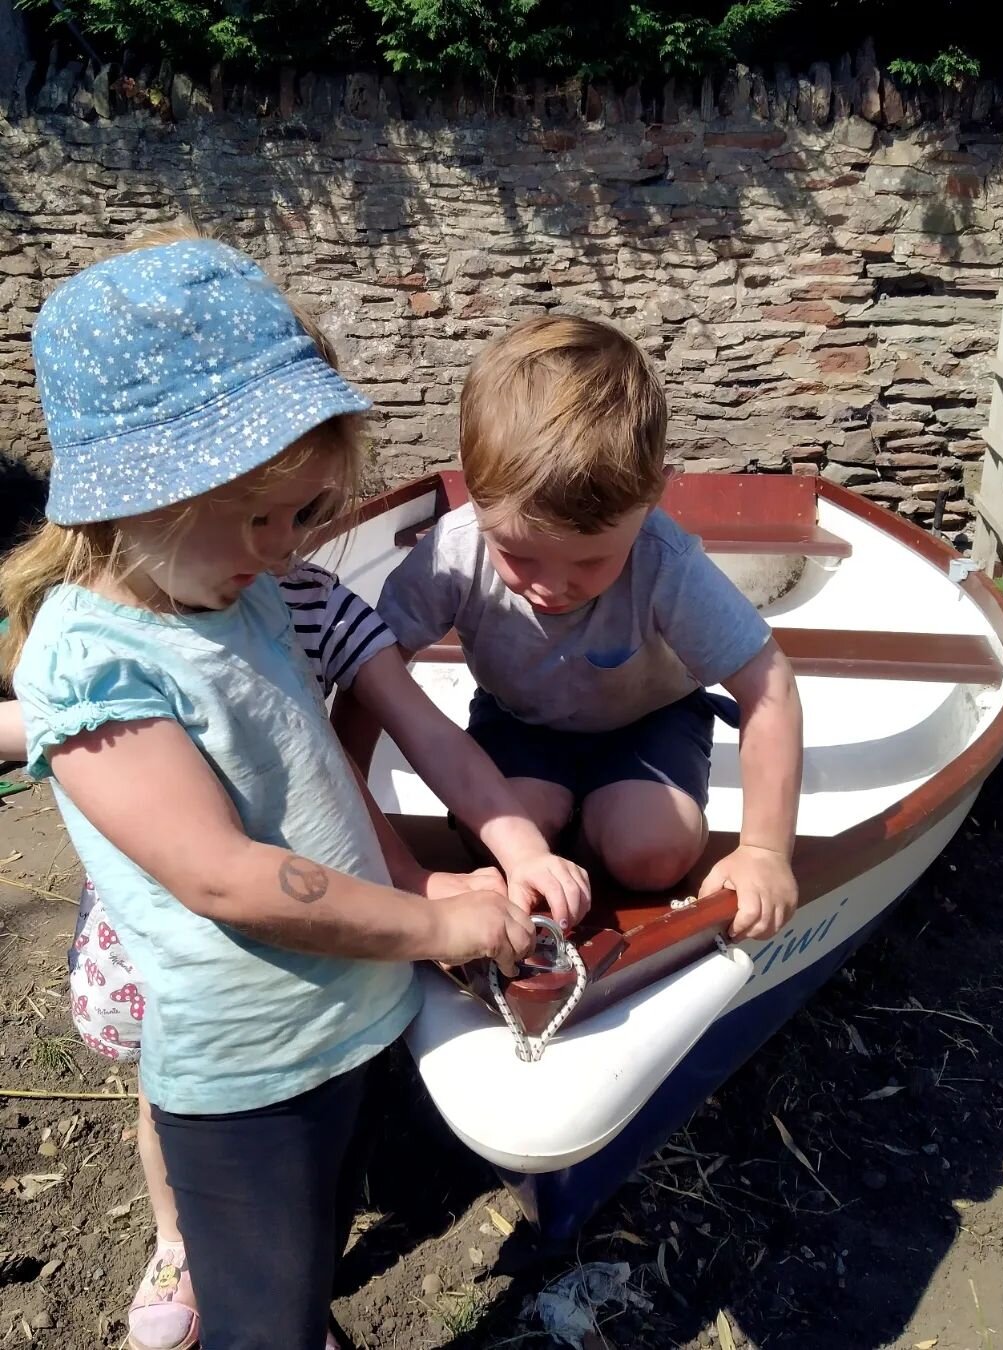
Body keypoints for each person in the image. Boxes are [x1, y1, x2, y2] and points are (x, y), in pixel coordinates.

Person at [0, 234, 588, 1350]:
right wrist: (430, 919)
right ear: (138, 496)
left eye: (304, 515)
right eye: (255, 518)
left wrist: (482, 858)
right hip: (244, 1074)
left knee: (307, 1252)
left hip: (347, 1018)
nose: (282, 551)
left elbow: (342, 759)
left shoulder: (248, 591)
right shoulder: (93, 664)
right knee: (260, 1310)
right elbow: (223, 876)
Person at [374, 314, 804, 942]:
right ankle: (564, 818)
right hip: (518, 720)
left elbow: (770, 689)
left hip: (649, 722)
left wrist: (765, 850)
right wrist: (358, 822)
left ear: (652, 497)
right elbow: (371, 670)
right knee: (498, 841)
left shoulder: (665, 561)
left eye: (591, 560)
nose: (551, 586)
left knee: (652, 856)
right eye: (518, 556)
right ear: (472, 483)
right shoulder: (453, 550)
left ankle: (599, 815)